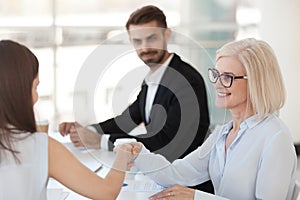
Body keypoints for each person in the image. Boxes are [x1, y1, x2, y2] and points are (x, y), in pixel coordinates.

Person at [122, 38, 297, 200]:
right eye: (216, 74)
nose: (218, 84)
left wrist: (196, 197)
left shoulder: (275, 137)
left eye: (227, 77)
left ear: (256, 83)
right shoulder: (223, 133)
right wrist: (140, 153)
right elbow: (177, 173)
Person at [59, 6, 210, 164]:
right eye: (138, 41)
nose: (145, 47)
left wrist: (101, 141)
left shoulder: (186, 80)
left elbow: (166, 140)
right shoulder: (153, 78)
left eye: (151, 38)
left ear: (167, 35)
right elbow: (127, 120)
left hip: (184, 177)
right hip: (162, 169)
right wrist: (85, 131)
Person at [0, 40, 136, 200]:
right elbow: (106, 192)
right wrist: (122, 156)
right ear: (19, 91)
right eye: (35, 87)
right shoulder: (41, 147)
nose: (36, 97)